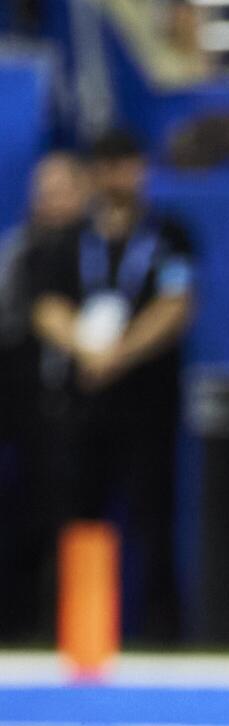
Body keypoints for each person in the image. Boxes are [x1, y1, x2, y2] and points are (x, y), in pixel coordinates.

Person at [28, 131, 194, 641]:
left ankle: (160, 634)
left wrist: (118, 355)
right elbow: (46, 304)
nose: (119, 177)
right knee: (78, 518)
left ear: (141, 169)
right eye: (108, 166)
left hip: (147, 400)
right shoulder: (68, 237)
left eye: (127, 164)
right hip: (81, 404)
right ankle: (79, 632)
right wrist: (87, 351)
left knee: (152, 517)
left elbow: (176, 304)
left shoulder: (167, 234)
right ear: (95, 173)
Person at [0, 152, 91, 640]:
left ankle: (67, 623)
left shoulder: (95, 249)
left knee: (71, 517)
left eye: (61, 190)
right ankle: (17, 621)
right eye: (44, 191)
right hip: (20, 403)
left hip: (84, 404)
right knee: (22, 516)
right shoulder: (18, 250)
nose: (50, 202)